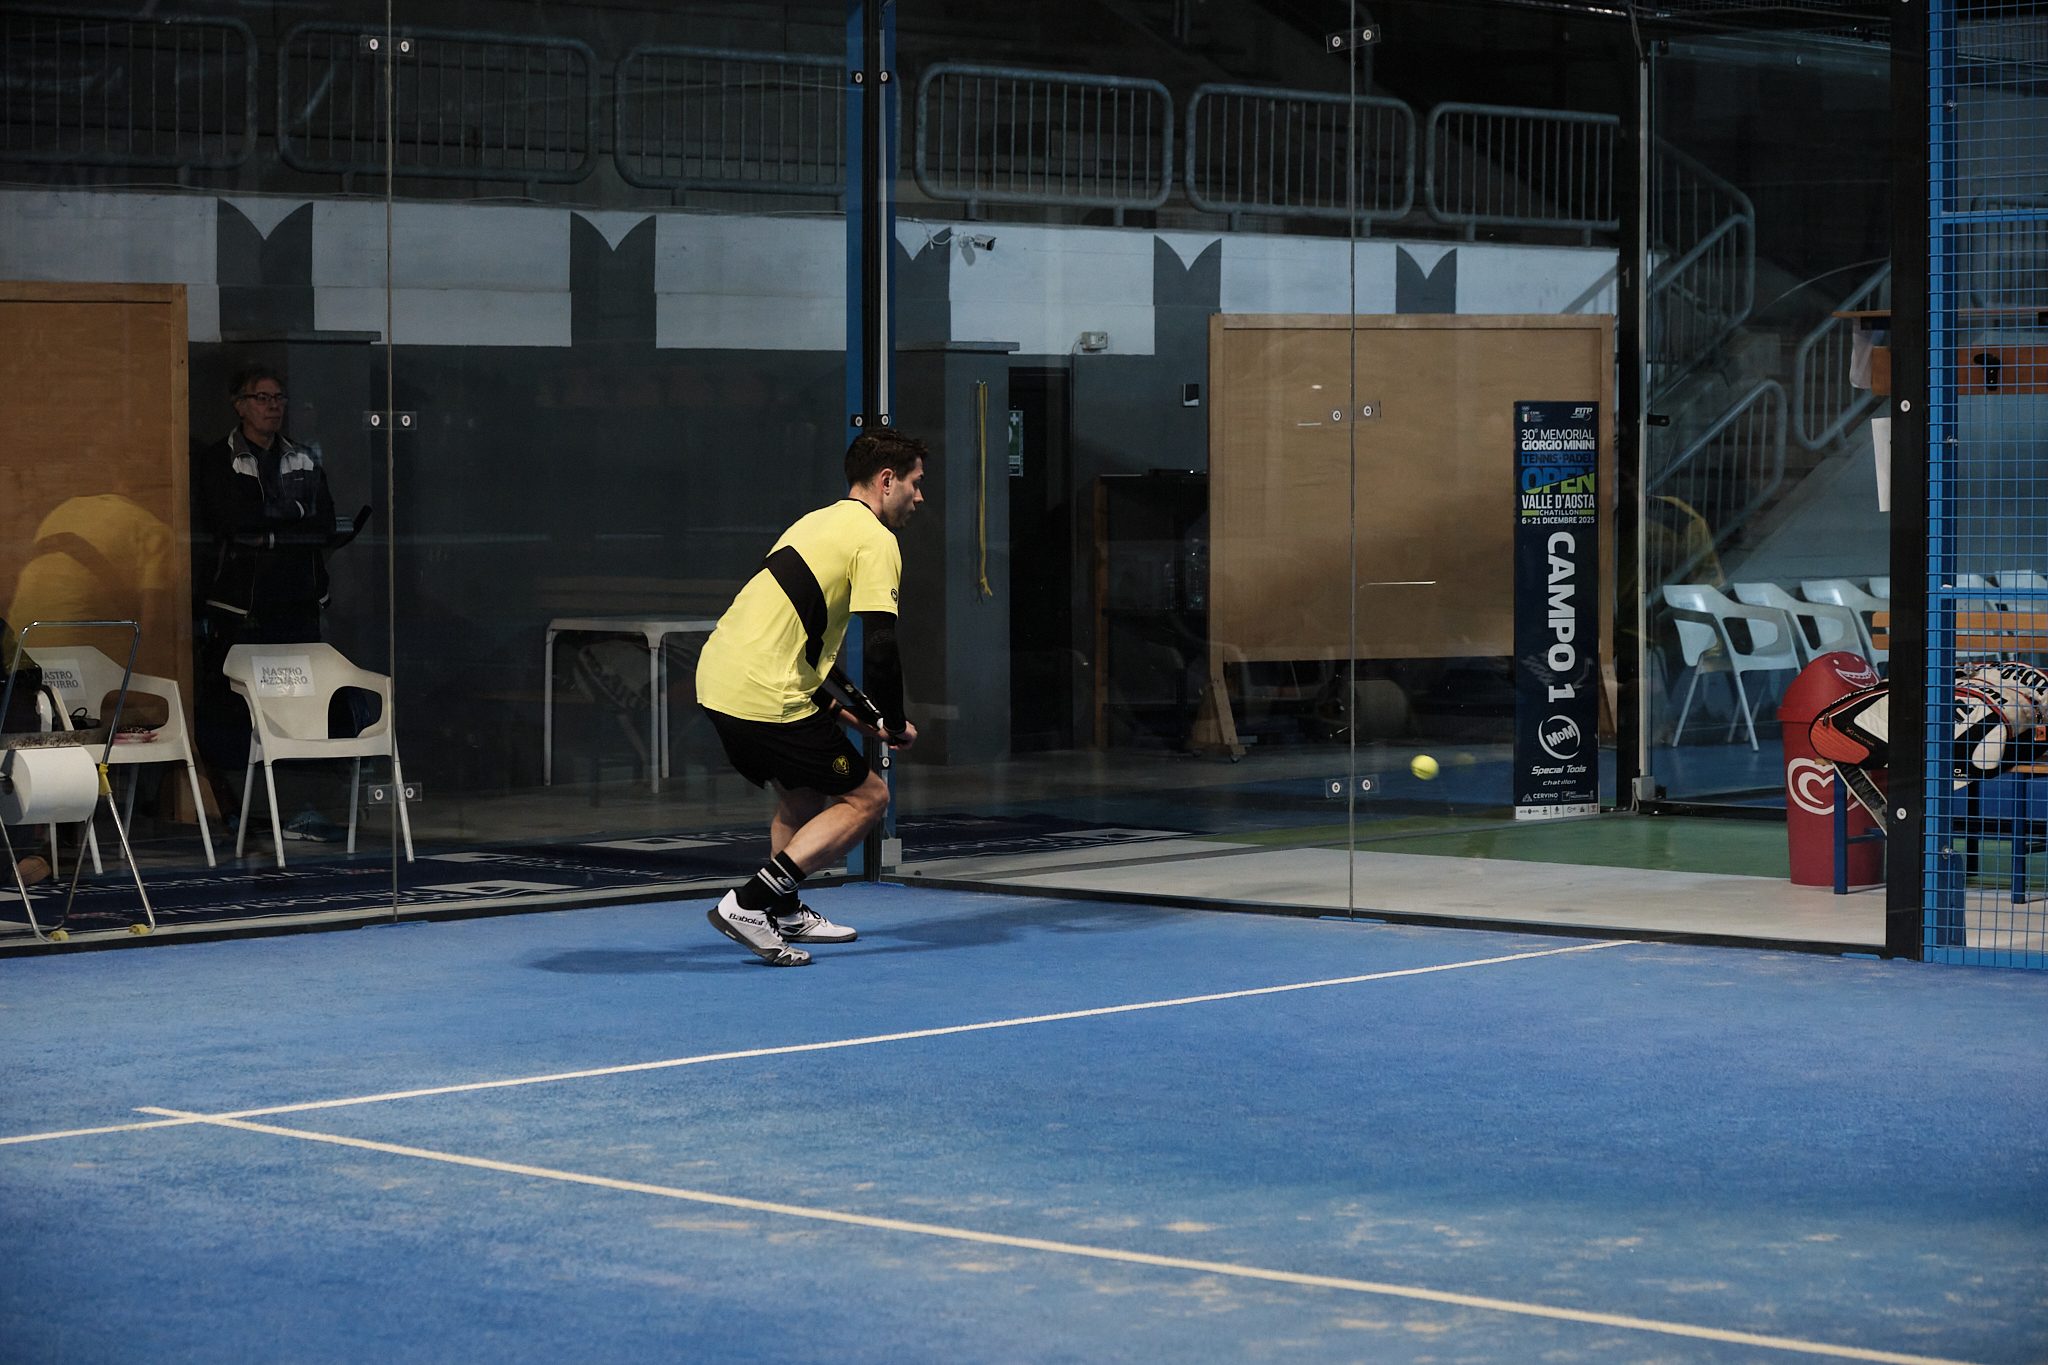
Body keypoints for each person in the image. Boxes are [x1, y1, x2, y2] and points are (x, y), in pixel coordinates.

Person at [697, 429, 928, 966]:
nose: (919, 497)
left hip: (721, 679)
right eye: (915, 483)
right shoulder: (876, 540)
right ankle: (749, 904)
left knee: (802, 794)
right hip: (766, 693)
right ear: (887, 480)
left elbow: (797, 650)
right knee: (869, 798)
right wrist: (894, 722)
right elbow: (882, 647)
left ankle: (783, 911)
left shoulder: (814, 523)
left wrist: (861, 718)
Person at [191, 364, 355, 837]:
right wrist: (289, 516)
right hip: (241, 609)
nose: (273, 406)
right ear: (239, 406)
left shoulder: (301, 457)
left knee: (301, 707)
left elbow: (323, 521)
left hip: (297, 603)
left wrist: (274, 524)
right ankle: (245, 808)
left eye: (279, 397)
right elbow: (232, 521)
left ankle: (303, 806)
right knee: (239, 709)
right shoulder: (218, 459)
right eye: (261, 398)